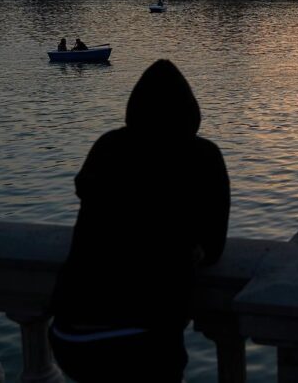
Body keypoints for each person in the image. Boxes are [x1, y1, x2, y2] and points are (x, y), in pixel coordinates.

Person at [49, 60, 230, 381]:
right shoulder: (202, 156)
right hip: (141, 334)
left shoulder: (108, 145)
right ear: (191, 111)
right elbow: (214, 247)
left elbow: (85, 189)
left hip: (68, 333)